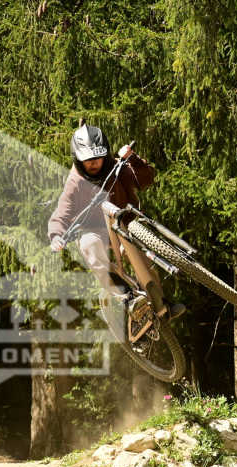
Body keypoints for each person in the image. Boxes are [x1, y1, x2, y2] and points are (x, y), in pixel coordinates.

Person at [47, 124, 185, 321]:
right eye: (88, 160)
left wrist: (132, 158)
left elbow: (146, 179)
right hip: (93, 229)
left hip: (122, 223)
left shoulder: (116, 167)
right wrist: (56, 236)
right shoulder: (74, 182)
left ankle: (161, 306)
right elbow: (62, 212)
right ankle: (126, 298)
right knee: (90, 246)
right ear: (78, 159)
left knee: (140, 257)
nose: (94, 164)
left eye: (98, 158)